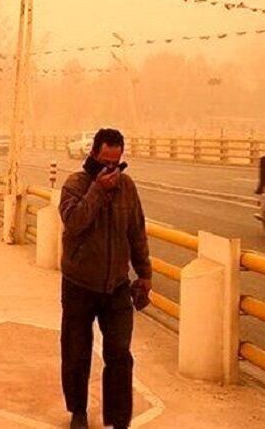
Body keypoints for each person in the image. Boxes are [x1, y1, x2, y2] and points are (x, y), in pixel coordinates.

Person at [58, 128, 152, 429]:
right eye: (105, 162)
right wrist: (97, 190)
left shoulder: (127, 188)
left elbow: (137, 233)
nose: (111, 169)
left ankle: (119, 420)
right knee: (76, 353)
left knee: (120, 354)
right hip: (79, 285)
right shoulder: (75, 185)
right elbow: (74, 223)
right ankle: (79, 411)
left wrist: (145, 275)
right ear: (94, 155)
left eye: (117, 162)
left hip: (116, 286)